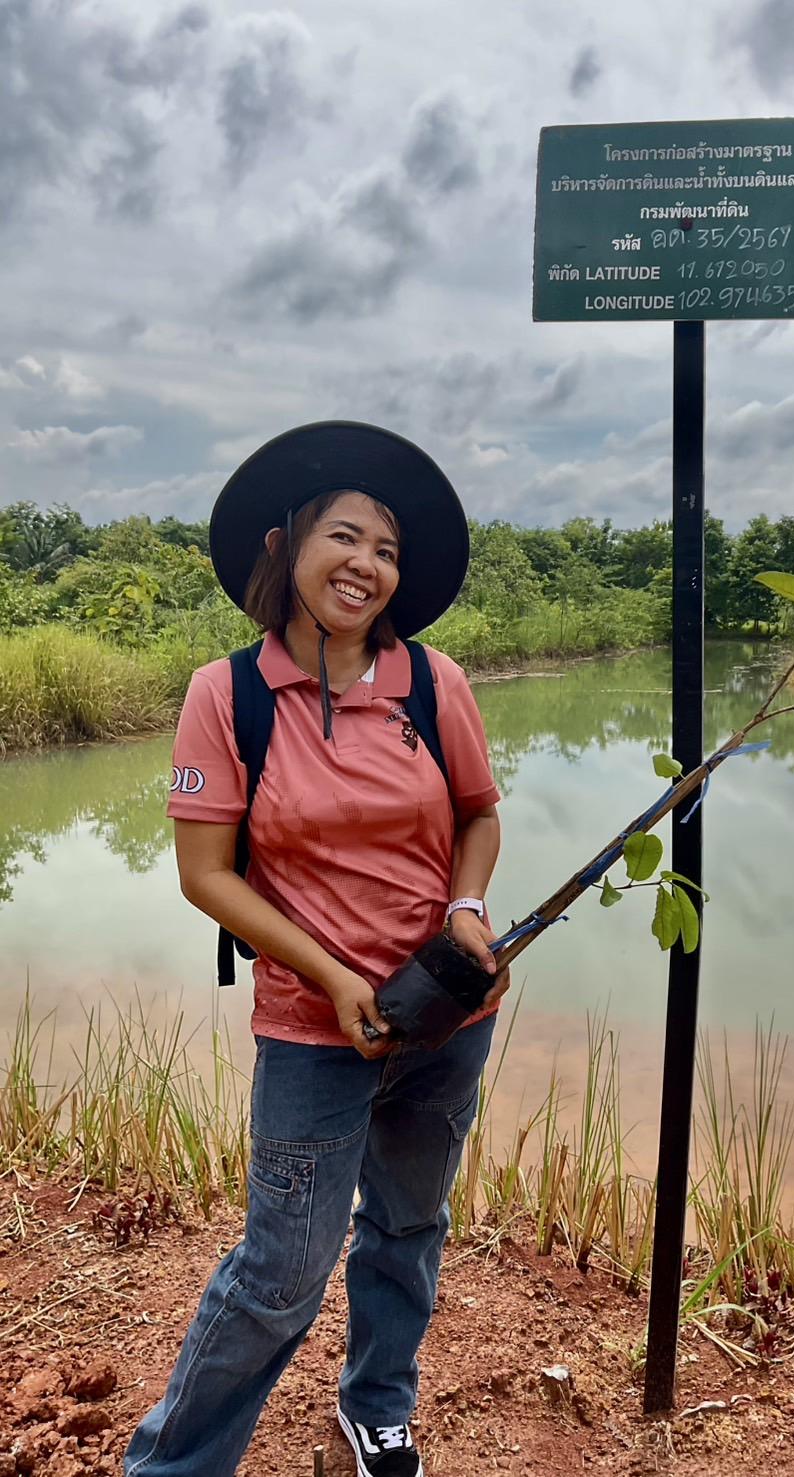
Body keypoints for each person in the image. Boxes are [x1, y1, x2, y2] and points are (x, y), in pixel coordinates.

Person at [125, 422, 507, 1477]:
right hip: (312, 1027)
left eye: (386, 549)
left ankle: (376, 1406)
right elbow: (206, 875)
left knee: (406, 1228)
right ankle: (172, 1465)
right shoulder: (228, 694)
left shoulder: (434, 683)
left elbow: (478, 813)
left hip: (447, 1012)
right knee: (282, 1270)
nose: (367, 564)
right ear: (284, 544)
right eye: (345, 536)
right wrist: (335, 977)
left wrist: (468, 908)